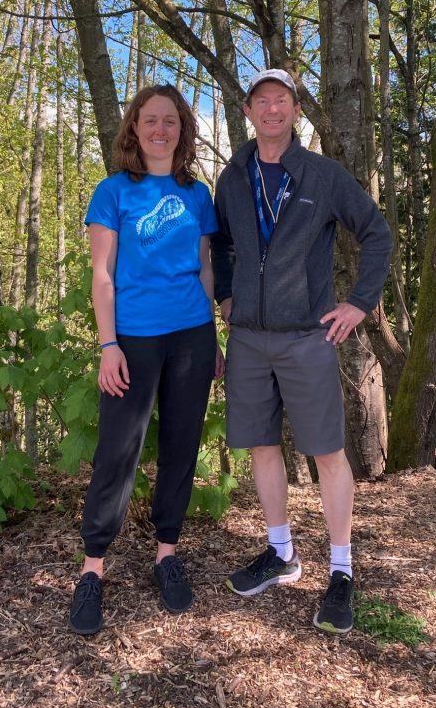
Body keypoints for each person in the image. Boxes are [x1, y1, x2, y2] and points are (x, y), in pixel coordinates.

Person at [211, 68, 392, 635]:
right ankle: (281, 553)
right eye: (261, 101)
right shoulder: (233, 175)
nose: (272, 110)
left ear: (294, 110)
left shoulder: (322, 174)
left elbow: (377, 233)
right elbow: (220, 244)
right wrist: (224, 294)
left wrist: (359, 303)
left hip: (308, 337)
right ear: (247, 110)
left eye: (282, 101)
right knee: (263, 447)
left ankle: (341, 570)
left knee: (326, 452)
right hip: (248, 340)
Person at [69, 84, 223, 636]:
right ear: (134, 129)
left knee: (181, 446)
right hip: (132, 340)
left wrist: (214, 335)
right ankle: (92, 570)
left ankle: (166, 555)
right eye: (150, 120)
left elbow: (205, 269)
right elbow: (103, 275)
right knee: (118, 451)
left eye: (171, 122)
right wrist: (107, 345)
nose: (161, 129)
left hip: (191, 337)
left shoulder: (197, 195)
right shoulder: (112, 192)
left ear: (183, 131)